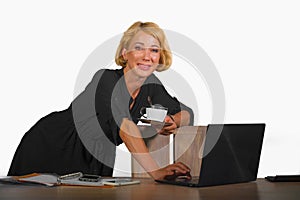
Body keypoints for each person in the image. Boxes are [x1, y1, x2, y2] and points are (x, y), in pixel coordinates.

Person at [8, 21, 194, 180]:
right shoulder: (105, 79)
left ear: (160, 56)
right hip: (53, 144)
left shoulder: (151, 87)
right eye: (139, 48)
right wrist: (156, 171)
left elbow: (187, 113)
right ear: (124, 53)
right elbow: (125, 128)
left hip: (96, 157)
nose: (147, 56)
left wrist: (172, 121)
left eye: (154, 50)